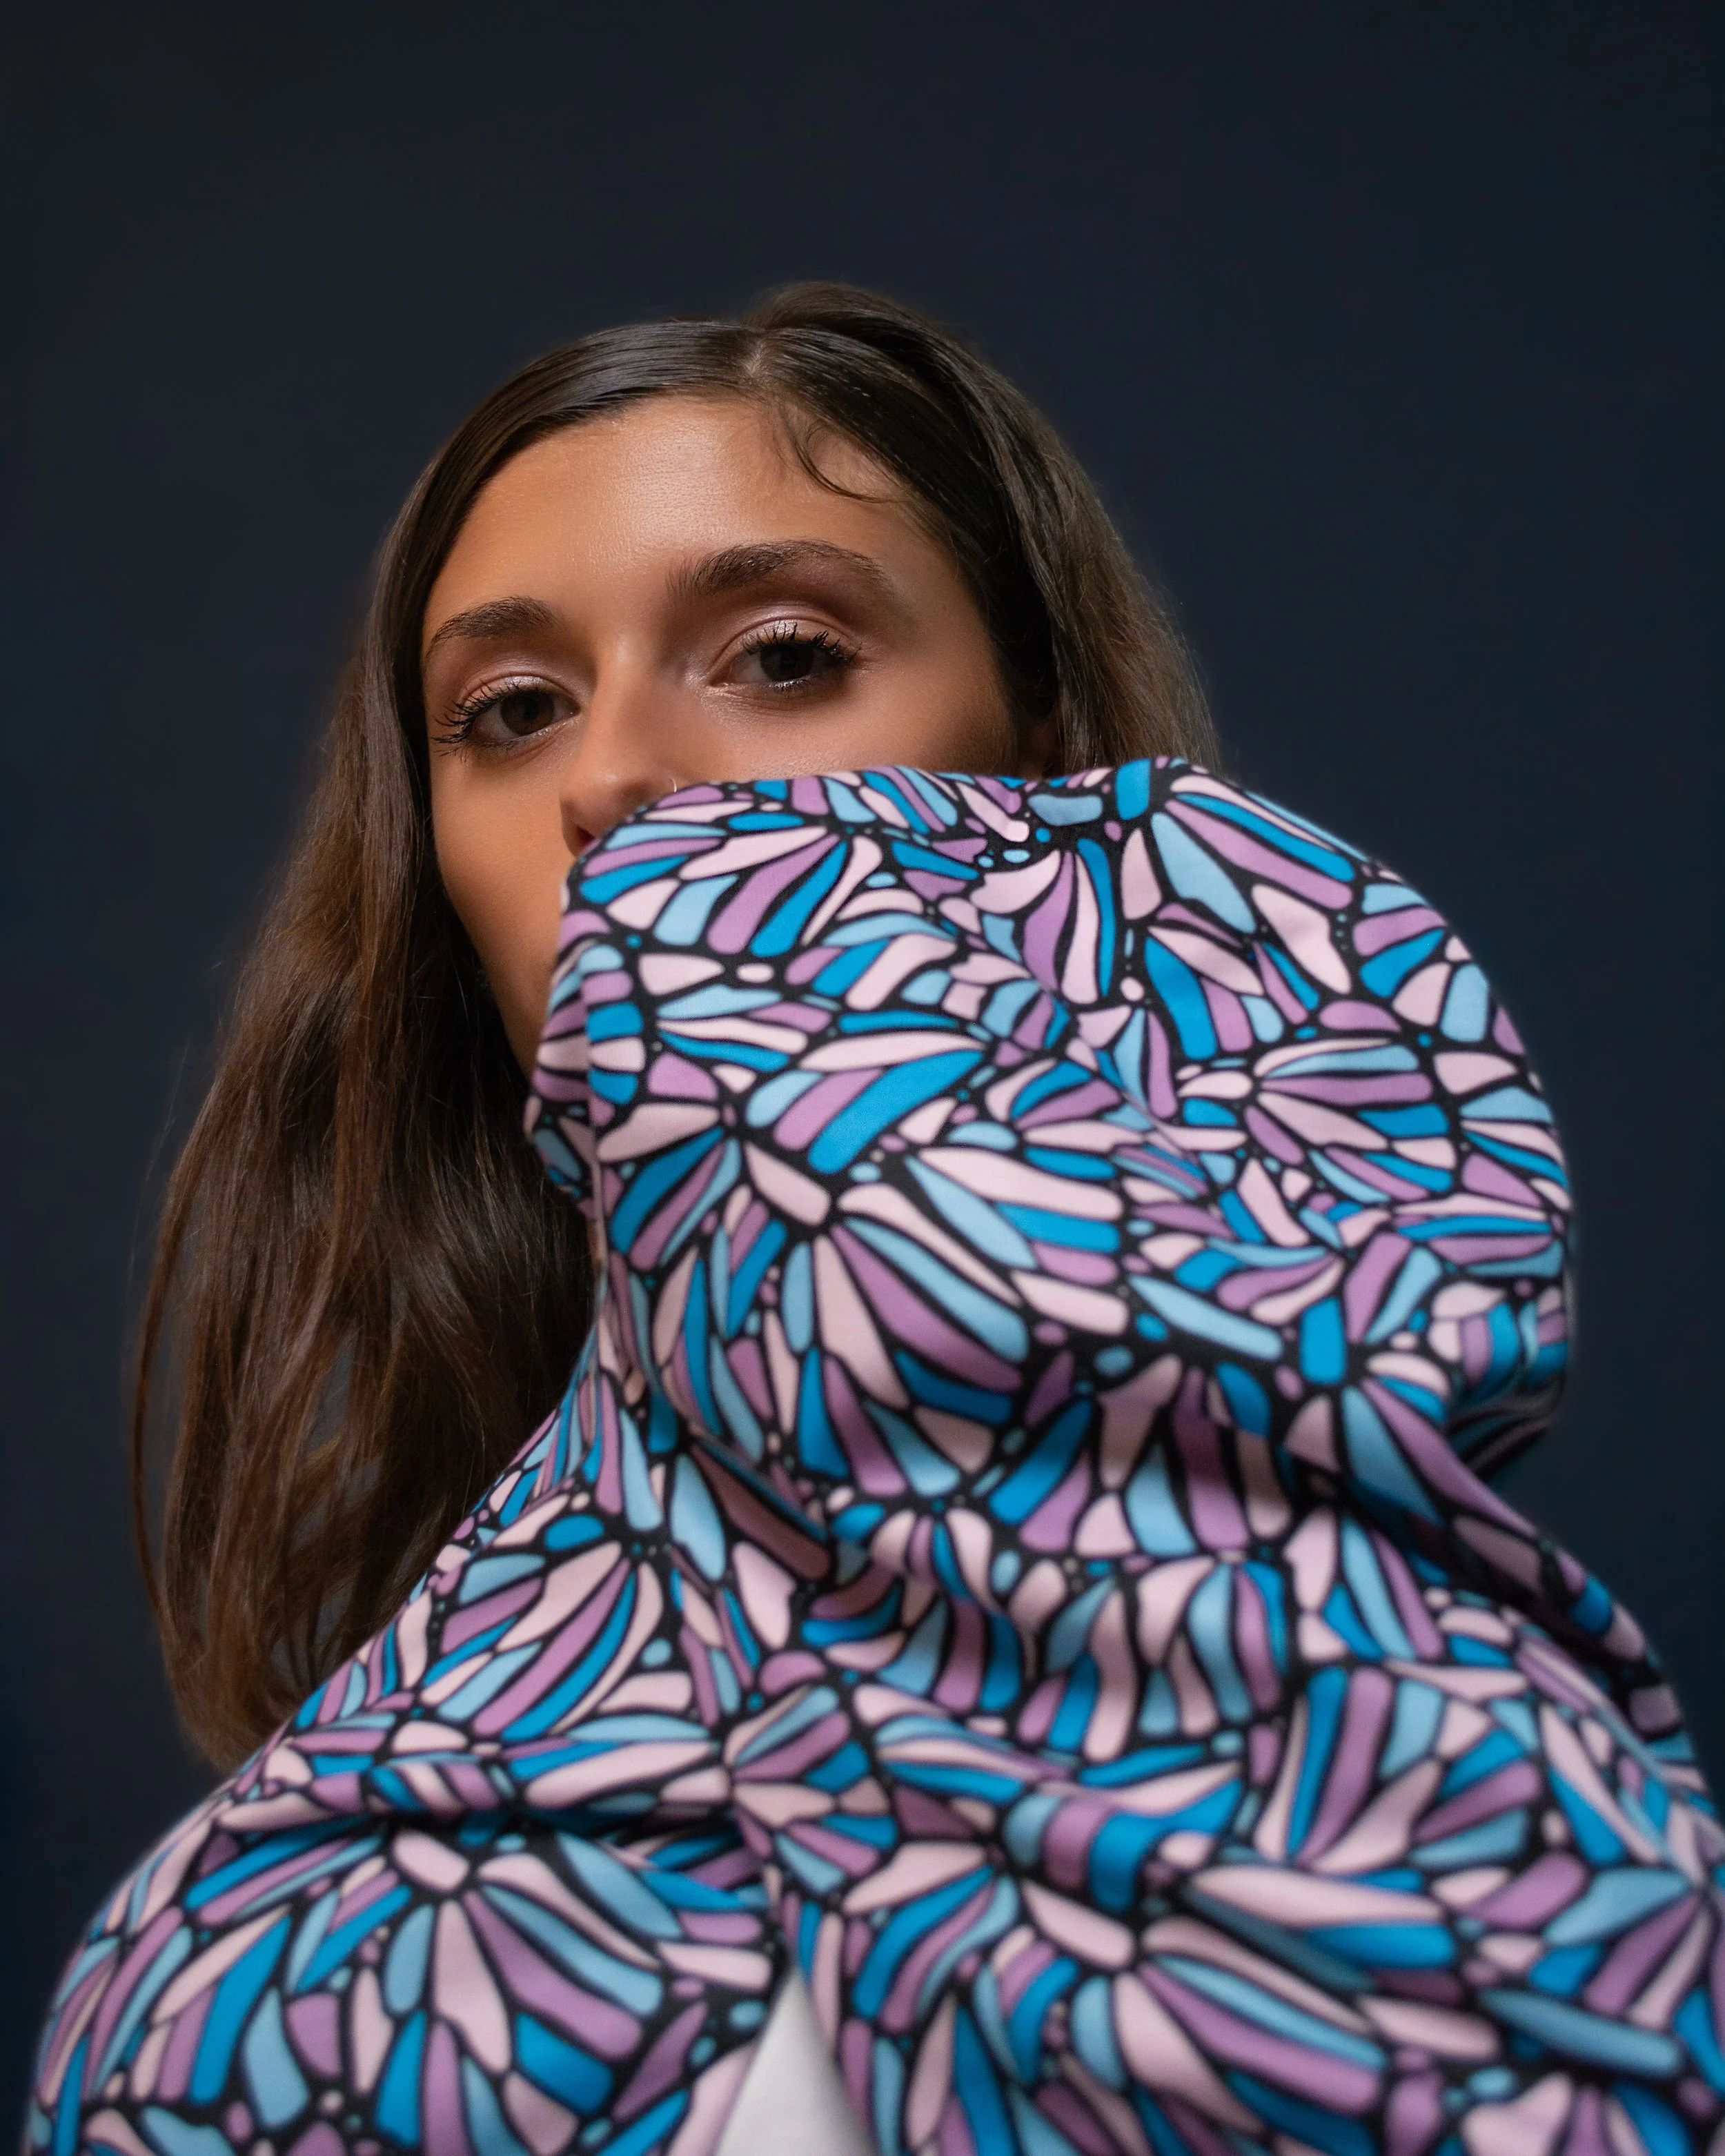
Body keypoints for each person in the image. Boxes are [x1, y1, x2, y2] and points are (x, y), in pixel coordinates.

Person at [27, 286, 1723, 2156]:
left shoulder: (1392, 1672)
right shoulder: (269, 1927)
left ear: (1040, 767)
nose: (611, 783)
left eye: (776, 655)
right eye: (509, 712)